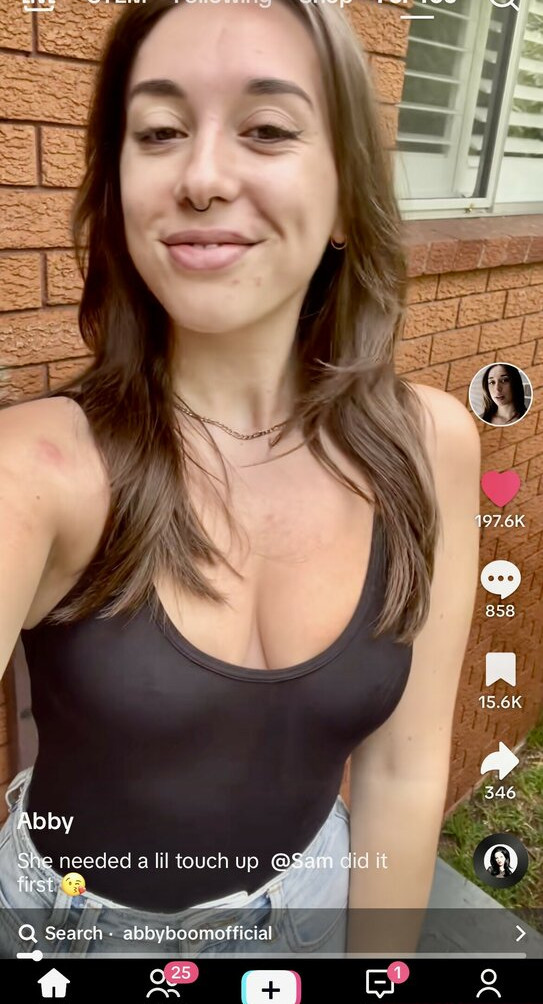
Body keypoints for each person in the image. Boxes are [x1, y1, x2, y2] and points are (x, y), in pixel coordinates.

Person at [0, 0, 480, 959]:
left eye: (265, 129)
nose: (203, 177)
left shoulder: (430, 447)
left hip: (320, 895)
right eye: (159, 132)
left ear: (345, 194)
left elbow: (402, 768)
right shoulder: (39, 467)